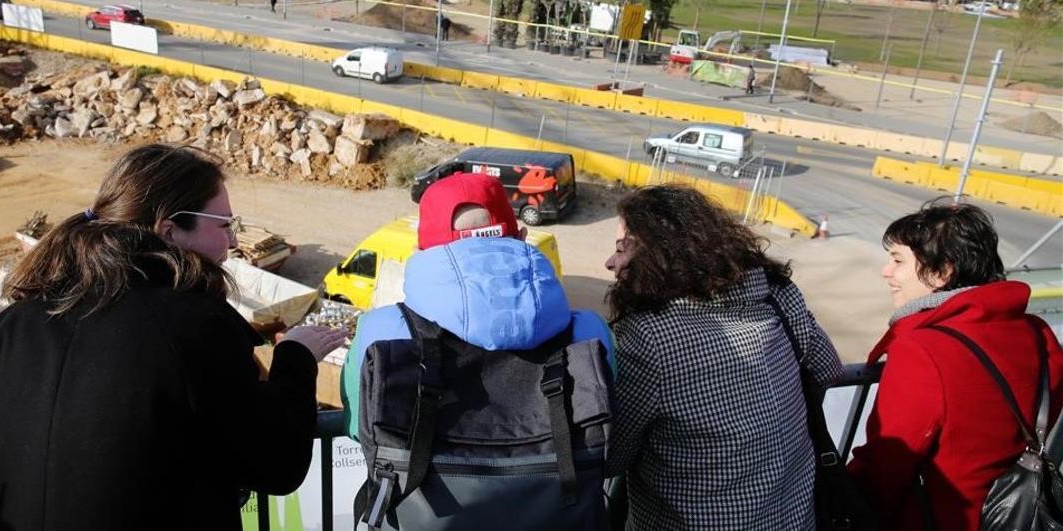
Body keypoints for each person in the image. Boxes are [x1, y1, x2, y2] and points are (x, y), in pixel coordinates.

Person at [0, 144, 348, 531]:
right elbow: (275, 463)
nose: (230, 243)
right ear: (170, 230)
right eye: (223, 225)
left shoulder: (2, 331)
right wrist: (295, 358)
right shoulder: (194, 327)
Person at [604, 184, 841, 530]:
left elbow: (611, 456)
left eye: (622, 248)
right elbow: (829, 368)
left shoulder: (650, 338)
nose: (610, 262)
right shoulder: (775, 295)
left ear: (658, 257)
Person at [341, 172, 615, 441]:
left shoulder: (380, 332)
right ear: (521, 237)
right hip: (562, 486)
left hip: (421, 486)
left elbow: (358, 429)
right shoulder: (590, 333)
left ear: (420, 252)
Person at [848, 199, 1063, 530]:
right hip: (1020, 514)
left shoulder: (922, 350)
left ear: (941, 273)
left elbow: (886, 467)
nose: (886, 271)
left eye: (897, 260)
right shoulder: (1037, 332)